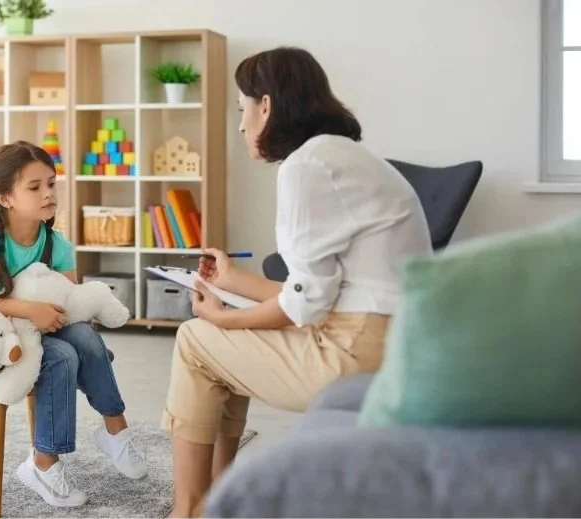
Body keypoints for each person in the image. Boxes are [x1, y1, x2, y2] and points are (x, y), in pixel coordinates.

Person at [161, 47, 433, 517]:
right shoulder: (343, 156)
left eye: (243, 109)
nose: (242, 125)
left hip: (353, 353)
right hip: (390, 341)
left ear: (266, 106)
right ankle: (219, 495)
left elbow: (303, 309)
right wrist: (234, 281)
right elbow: (319, 294)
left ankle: (188, 510)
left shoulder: (307, 166)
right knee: (219, 344)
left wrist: (225, 319)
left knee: (195, 340)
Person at [0, 141, 147, 508]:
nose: (48, 193)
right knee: (61, 357)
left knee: (82, 335)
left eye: (51, 183)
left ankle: (116, 430)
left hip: (32, 329)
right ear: (5, 197)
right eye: (34, 187)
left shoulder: (58, 244)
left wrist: (44, 314)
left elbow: (69, 307)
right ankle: (43, 462)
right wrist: (28, 309)